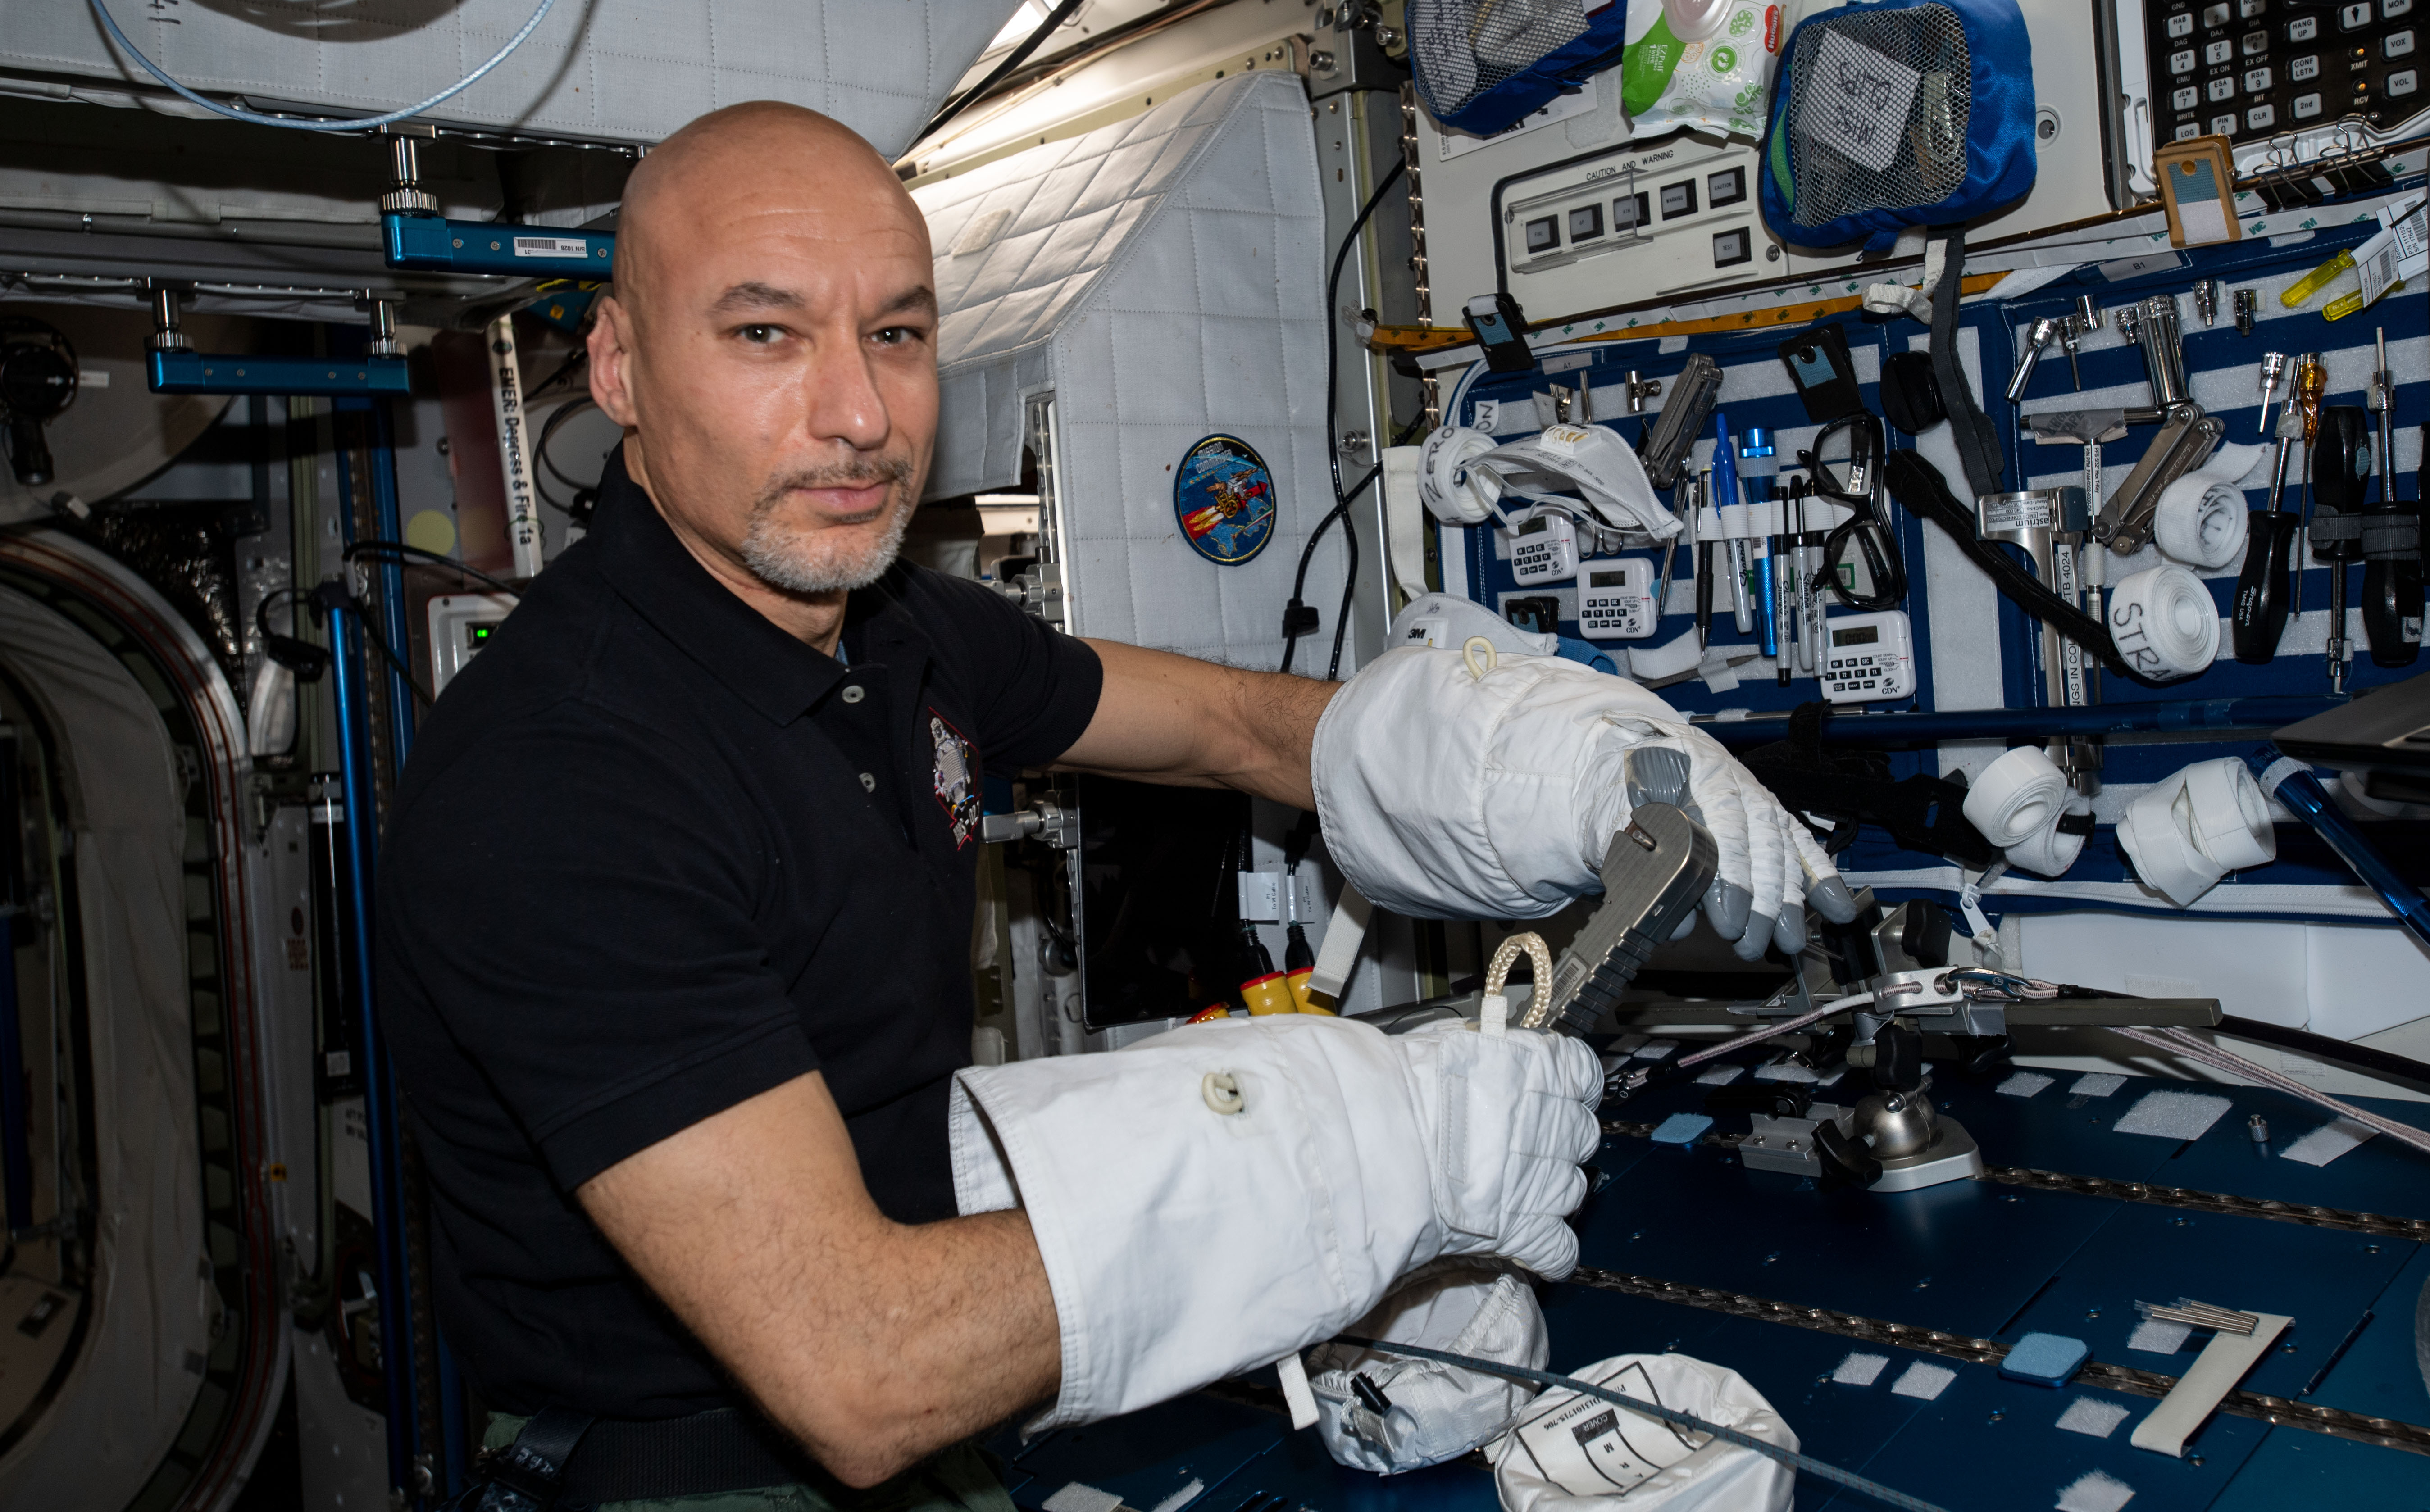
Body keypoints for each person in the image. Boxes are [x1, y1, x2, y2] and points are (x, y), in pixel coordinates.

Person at [377, 103, 1838, 1512]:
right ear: (620, 366)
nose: (859, 415)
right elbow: (862, 1368)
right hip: (701, 1466)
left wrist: (1543, 755)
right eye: (765, 333)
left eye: (897, 333)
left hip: (940, 1402)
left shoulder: (900, 632)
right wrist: (1371, 1159)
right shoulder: (561, 776)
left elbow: (1229, 729)